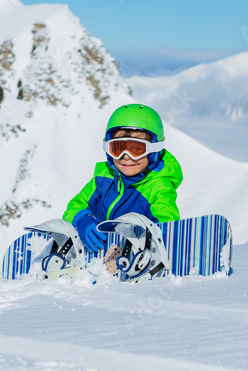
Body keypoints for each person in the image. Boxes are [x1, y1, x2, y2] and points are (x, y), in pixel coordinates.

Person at [62, 104, 182, 263]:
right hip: (97, 261)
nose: (126, 156)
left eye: (137, 149)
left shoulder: (158, 188)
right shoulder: (103, 178)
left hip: (136, 261)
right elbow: (75, 207)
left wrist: (146, 243)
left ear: (154, 151)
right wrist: (83, 221)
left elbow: (166, 226)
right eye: (118, 148)